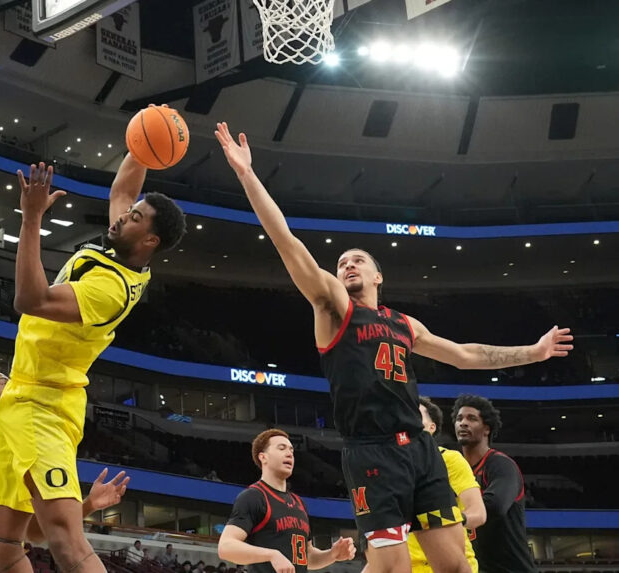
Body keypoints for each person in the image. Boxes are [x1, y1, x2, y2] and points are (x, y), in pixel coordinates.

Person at [214, 121, 573, 573]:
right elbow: (289, 244)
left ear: (378, 276)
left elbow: (465, 353)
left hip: (421, 453)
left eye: (357, 260)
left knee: (457, 566)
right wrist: (247, 175)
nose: (347, 265)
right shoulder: (333, 310)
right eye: (341, 262)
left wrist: (533, 351)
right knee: (393, 569)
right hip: (371, 451)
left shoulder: (404, 323)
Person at [0, 127, 186, 573]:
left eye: (135, 218)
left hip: (45, 405)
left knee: (67, 543)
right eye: (130, 213)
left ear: (150, 241)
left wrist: (31, 218)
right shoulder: (124, 244)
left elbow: (29, 300)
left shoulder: (112, 289)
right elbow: (125, 186)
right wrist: (146, 132)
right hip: (20, 398)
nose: (124, 215)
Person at [0, 362, 130, 573]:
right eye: (3, 381)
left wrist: (89, 505)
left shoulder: (20, 453)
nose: (12, 386)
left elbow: (34, 533)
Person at [219, 429, 356, 573]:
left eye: (291, 450)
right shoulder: (254, 497)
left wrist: (332, 555)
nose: (289, 453)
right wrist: (272, 555)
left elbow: (307, 557)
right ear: (263, 457)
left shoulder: (299, 503)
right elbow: (226, 547)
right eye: (281, 448)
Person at [401, 397, 486, 573]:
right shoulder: (389, 467)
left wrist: (443, 523)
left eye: (415, 415)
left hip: (452, 564)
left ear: (431, 427)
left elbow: (478, 513)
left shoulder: (449, 459)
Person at [454, 395, 536, 573]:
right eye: (459, 418)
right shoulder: (456, 470)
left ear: (487, 429)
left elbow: (495, 505)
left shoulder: (500, 464)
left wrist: (450, 517)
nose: (463, 423)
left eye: (472, 418)